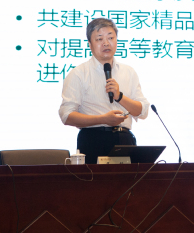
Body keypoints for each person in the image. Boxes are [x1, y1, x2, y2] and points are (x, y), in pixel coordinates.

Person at [59, 18, 150, 163]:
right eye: (99, 39)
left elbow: (142, 112)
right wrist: (103, 119)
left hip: (125, 140)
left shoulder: (129, 72)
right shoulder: (78, 73)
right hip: (93, 140)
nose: (106, 43)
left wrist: (120, 97)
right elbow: (67, 116)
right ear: (90, 44)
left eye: (110, 38)